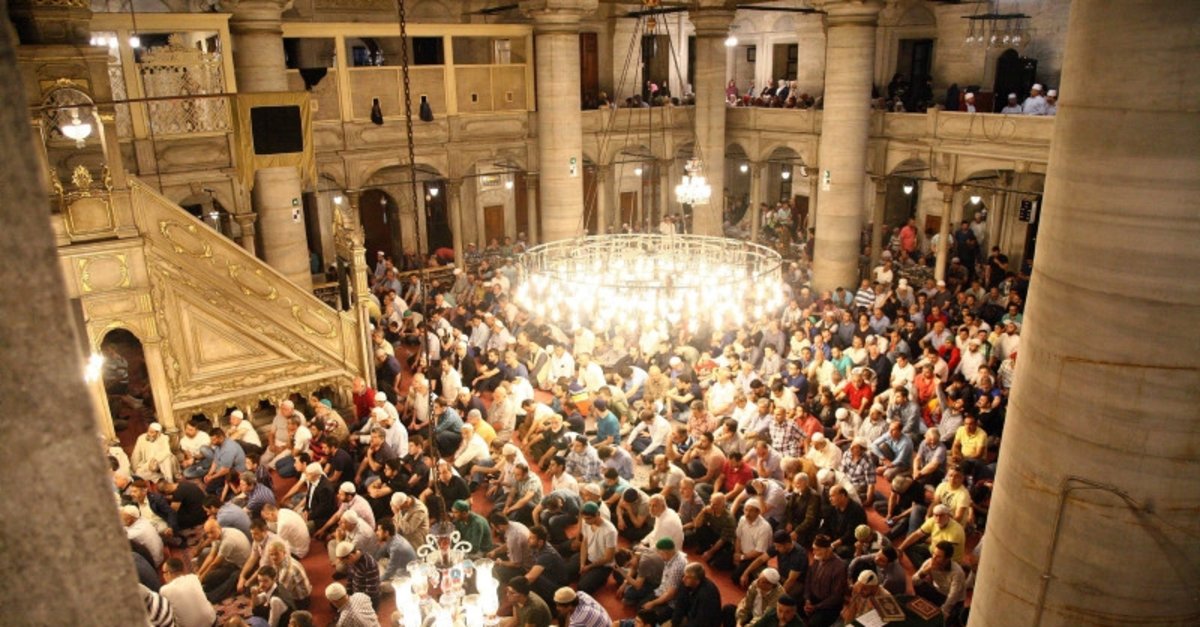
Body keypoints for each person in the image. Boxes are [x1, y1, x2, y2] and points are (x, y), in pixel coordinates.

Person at [570, 501, 617, 593]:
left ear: (598, 514)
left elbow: (608, 558)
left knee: (582, 587)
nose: (586, 521)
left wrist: (589, 567)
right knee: (567, 572)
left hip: (603, 565)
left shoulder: (610, 531)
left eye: (589, 519)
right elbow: (584, 543)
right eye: (584, 518)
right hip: (589, 557)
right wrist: (582, 564)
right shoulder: (586, 523)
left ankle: (601, 579)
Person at [914, 541, 966, 622]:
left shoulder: (957, 572)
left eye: (938, 556)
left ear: (947, 559)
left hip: (954, 602)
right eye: (934, 554)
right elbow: (914, 581)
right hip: (938, 592)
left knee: (950, 619)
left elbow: (953, 597)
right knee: (919, 585)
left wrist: (942, 614)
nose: (934, 558)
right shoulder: (929, 562)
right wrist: (925, 571)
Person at [802, 535, 847, 627]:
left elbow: (836, 597)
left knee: (813, 624)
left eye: (817, 549)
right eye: (813, 549)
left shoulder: (839, 567)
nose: (813, 552)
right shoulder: (817, 558)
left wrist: (816, 607)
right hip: (812, 600)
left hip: (828, 606)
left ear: (827, 550)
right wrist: (807, 599)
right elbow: (808, 579)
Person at [160, 557, 217, 627]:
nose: (163, 576)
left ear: (168, 573)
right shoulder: (193, 577)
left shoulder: (164, 590)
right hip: (212, 621)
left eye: (163, 573)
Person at [672, 563, 723, 627]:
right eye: (684, 576)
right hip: (691, 616)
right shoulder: (686, 583)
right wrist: (674, 623)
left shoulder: (707, 594)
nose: (683, 579)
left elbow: (701, 622)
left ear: (697, 580)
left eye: (688, 577)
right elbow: (680, 605)